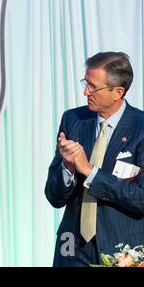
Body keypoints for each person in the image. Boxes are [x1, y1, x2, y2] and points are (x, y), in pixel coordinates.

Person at [45, 52, 144, 266]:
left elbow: (141, 198)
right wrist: (68, 168)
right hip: (71, 246)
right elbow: (54, 197)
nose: (85, 91)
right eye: (85, 83)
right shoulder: (73, 120)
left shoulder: (141, 128)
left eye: (93, 87)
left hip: (123, 250)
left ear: (118, 92)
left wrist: (90, 171)